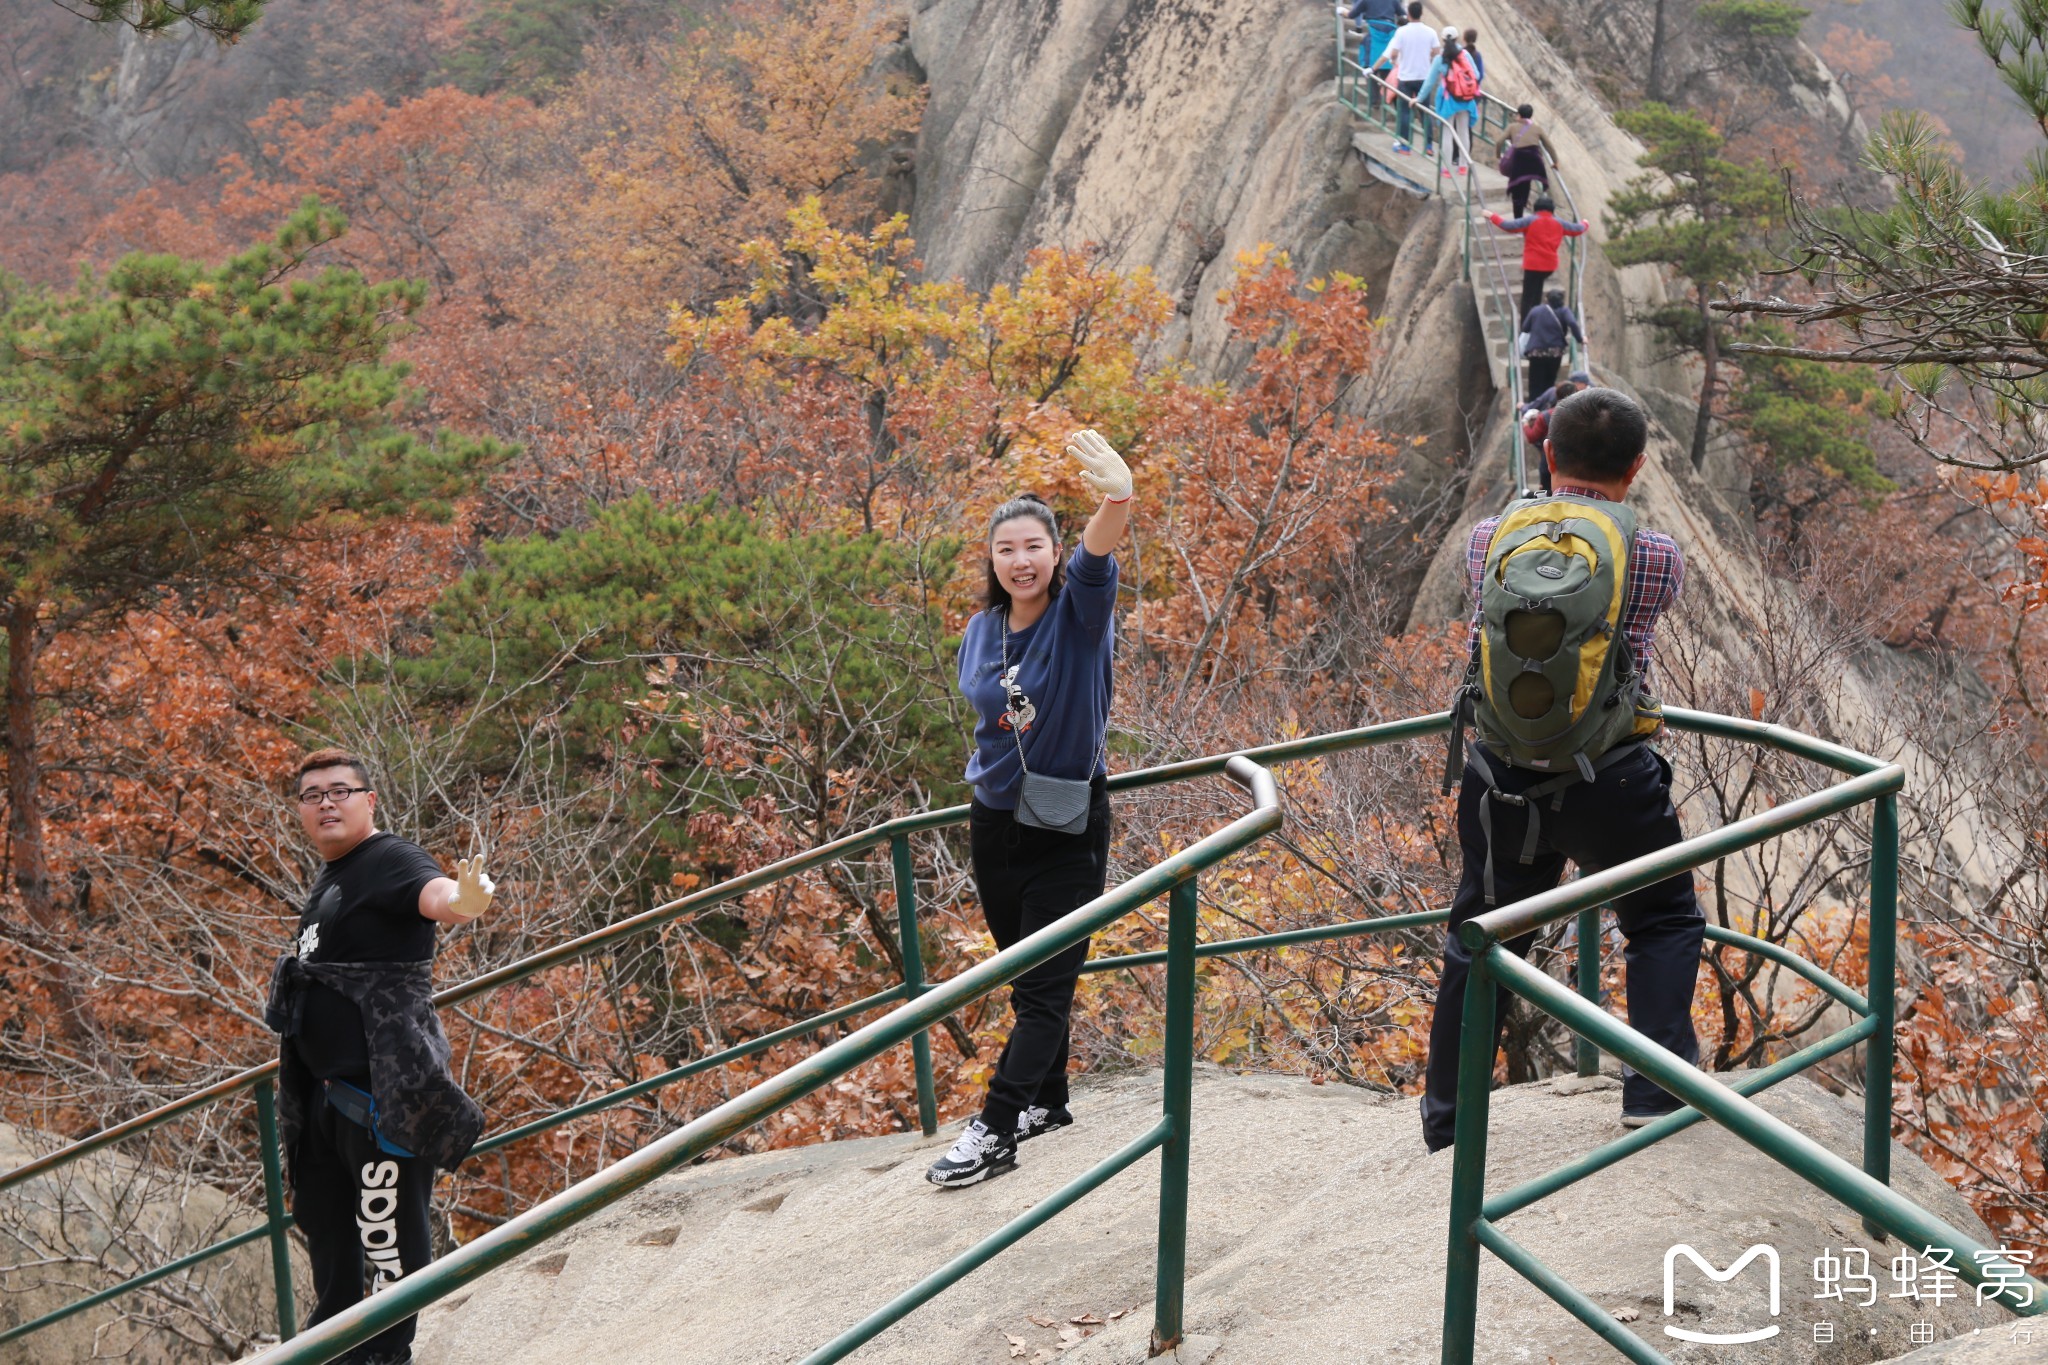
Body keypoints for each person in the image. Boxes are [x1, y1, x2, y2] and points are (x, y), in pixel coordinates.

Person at [1421, 389, 1702, 1154]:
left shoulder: (1488, 539)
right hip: (1609, 776)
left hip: (1501, 774)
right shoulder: (1654, 556)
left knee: (1480, 936)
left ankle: (1448, 1117)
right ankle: (1653, 1091)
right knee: (1663, 919)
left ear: (1547, 454)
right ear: (1637, 467)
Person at [926, 430, 1135, 1188]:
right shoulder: (981, 631)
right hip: (994, 823)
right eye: (1006, 548)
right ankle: (1049, 1100)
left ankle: (997, 1126)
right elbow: (989, 717)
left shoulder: (1078, 615)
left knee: (1045, 987)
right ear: (992, 560)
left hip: (1067, 823)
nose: (1021, 560)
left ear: (1053, 552)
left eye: (1034, 546)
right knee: (1026, 976)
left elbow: (1097, 556)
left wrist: (1117, 498)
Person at [263, 749, 495, 1365]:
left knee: (388, 1246)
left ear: (369, 800)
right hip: (323, 1104)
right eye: (312, 795)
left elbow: (437, 894)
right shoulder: (331, 878)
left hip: (379, 1102)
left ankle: (385, 1358)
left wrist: (465, 901)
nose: (326, 803)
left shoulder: (388, 858)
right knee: (330, 1246)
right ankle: (334, 1353)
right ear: (301, 811)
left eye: (340, 791)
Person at [1487, 193, 1587, 323]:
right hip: (1549, 266)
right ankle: (1535, 322)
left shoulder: (1531, 220)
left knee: (1528, 297)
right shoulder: (1559, 222)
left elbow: (1508, 226)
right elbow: (1577, 229)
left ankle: (1525, 328)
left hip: (1532, 264)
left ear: (1536, 208)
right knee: (1537, 291)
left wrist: (1492, 216)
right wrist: (1585, 223)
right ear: (1552, 209)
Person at [1372, 2, 1440, 154]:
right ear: (1421, 14)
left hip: (1406, 77)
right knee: (1425, 111)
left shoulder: (1402, 32)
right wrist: (1425, 56)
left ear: (1408, 14)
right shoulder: (1431, 32)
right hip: (1423, 77)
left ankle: (1404, 146)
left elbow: (1393, 53)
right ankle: (1428, 146)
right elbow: (1436, 51)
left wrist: (1376, 67)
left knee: (1404, 112)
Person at [1420, 27, 1480, 175]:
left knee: (1447, 132)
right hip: (1465, 99)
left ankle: (1446, 169)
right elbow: (1476, 75)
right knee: (1463, 131)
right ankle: (1463, 166)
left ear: (1442, 40)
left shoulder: (1440, 58)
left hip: (1448, 99)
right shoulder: (1465, 55)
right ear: (1457, 39)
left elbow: (1429, 82)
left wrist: (1419, 98)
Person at [1519, 286, 1583, 404]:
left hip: (1536, 352)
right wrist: (1580, 339)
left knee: (1535, 383)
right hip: (1555, 352)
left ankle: (1533, 410)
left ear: (1546, 298)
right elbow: (1573, 323)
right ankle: (1547, 407)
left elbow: (1525, 328)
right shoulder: (1564, 311)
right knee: (1549, 382)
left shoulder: (1536, 310)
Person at [1496, 104, 1559, 218]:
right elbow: (1549, 146)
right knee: (1525, 185)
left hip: (1519, 160)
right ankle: (1524, 208)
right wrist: (1555, 161)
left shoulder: (1512, 127)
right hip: (1533, 161)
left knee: (1517, 188)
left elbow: (1499, 142)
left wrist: (1498, 156)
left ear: (1519, 115)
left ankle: (1518, 218)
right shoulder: (1537, 128)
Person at [1518, 379, 1579, 490]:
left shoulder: (1546, 416)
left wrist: (1526, 423)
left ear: (1556, 395)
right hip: (1576, 461)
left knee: (1548, 493)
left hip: (1550, 462)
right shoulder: (1583, 414)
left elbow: (1532, 437)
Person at [1348, 0, 1404, 107]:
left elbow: (1352, 14)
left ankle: (1375, 101)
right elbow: (1403, 14)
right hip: (1390, 33)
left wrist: (1342, 11)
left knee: (1369, 67)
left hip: (1373, 33)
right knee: (1387, 70)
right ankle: (1392, 101)